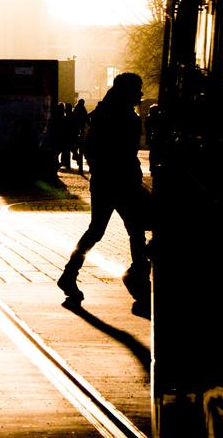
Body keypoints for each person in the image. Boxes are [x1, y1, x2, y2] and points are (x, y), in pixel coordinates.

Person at [57, 73, 151, 316]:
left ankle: (70, 273)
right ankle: (138, 277)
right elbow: (126, 152)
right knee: (136, 229)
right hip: (123, 181)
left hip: (104, 181)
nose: (140, 94)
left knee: (98, 230)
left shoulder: (101, 112)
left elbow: (90, 147)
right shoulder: (124, 116)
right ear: (127, 91)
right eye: (137, 89)